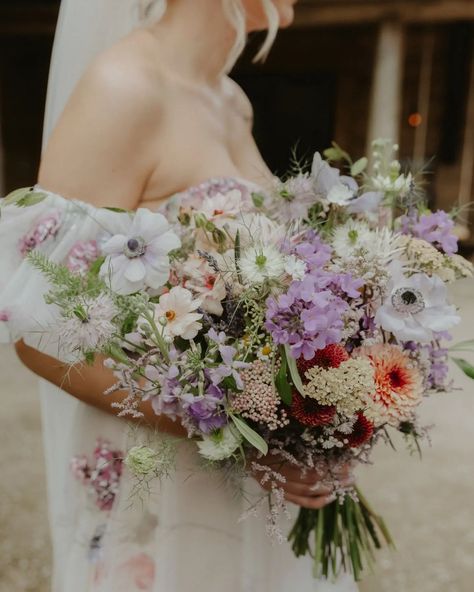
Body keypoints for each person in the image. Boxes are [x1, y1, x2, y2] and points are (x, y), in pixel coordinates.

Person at [7, 1, 357, 590]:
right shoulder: (124, 89)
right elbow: (41, 333)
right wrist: (238, 435)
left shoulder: (228, 99)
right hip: (165, 487)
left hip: (256, 489)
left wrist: (328, 405)